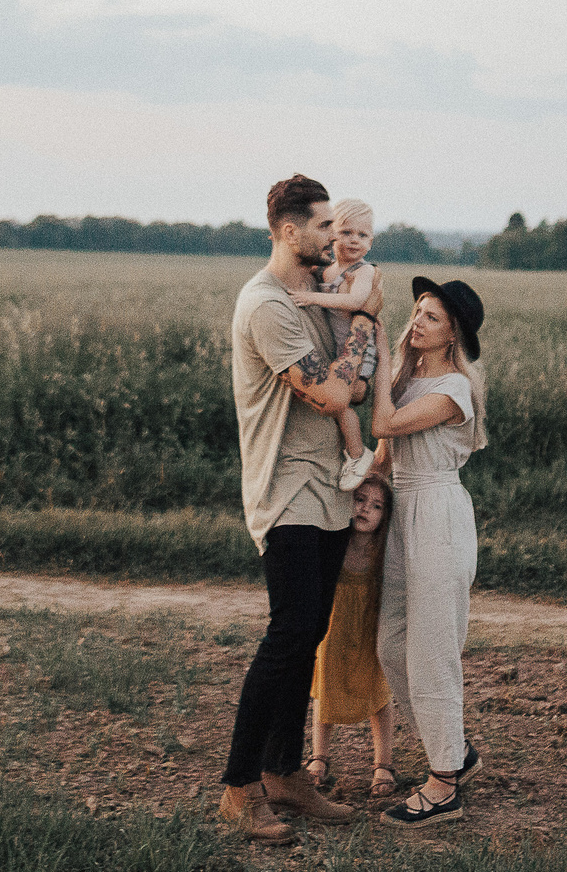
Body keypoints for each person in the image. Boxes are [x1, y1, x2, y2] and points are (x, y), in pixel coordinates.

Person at [217, 174, 382, 846]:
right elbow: (332, 393)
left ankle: (285, 772)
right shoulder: (268, 305)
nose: (333, 236)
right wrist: (362, 336)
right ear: (289, 231)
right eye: (321, 225)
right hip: (284, 492)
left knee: (310, 631)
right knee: (288, 635)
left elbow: (360, 384)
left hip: (328, 492)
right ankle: (238, 788)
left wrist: (360, 335)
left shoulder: (319, 298)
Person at [374, 275, 488, 828]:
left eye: (432, 317)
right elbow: (382, 454)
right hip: (404, 511)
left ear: (452, 337)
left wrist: (382, 359)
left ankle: (444, 784)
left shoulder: (453, 390)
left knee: (432, 648)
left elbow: (384, 424)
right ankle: (457, 749)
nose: (417, 320)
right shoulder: (409, 380)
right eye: (417, 310)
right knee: (391, 642)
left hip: (440, 514)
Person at [303, 475, 398, 800]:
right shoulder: (335, 543)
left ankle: (383, 763)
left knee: (378, 692)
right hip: (335, 630)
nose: (365, 509)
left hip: (369, 631)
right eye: (360, 499)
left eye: (376, 506)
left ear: (385, 516)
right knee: (325, 688)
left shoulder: (384, 551)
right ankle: (319, 757)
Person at [286, 196, 385, 489]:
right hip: (337, 351)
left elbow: (356, 301)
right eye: (346, 232)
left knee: (341, 403)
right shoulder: (327, 269)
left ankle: (357, 454)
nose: (354, 240)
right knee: (329, 396)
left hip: (359, 352)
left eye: (362, 235)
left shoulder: (363, 272)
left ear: (371, 242)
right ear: (332, 235)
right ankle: (345, 454)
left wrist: (312, 297)